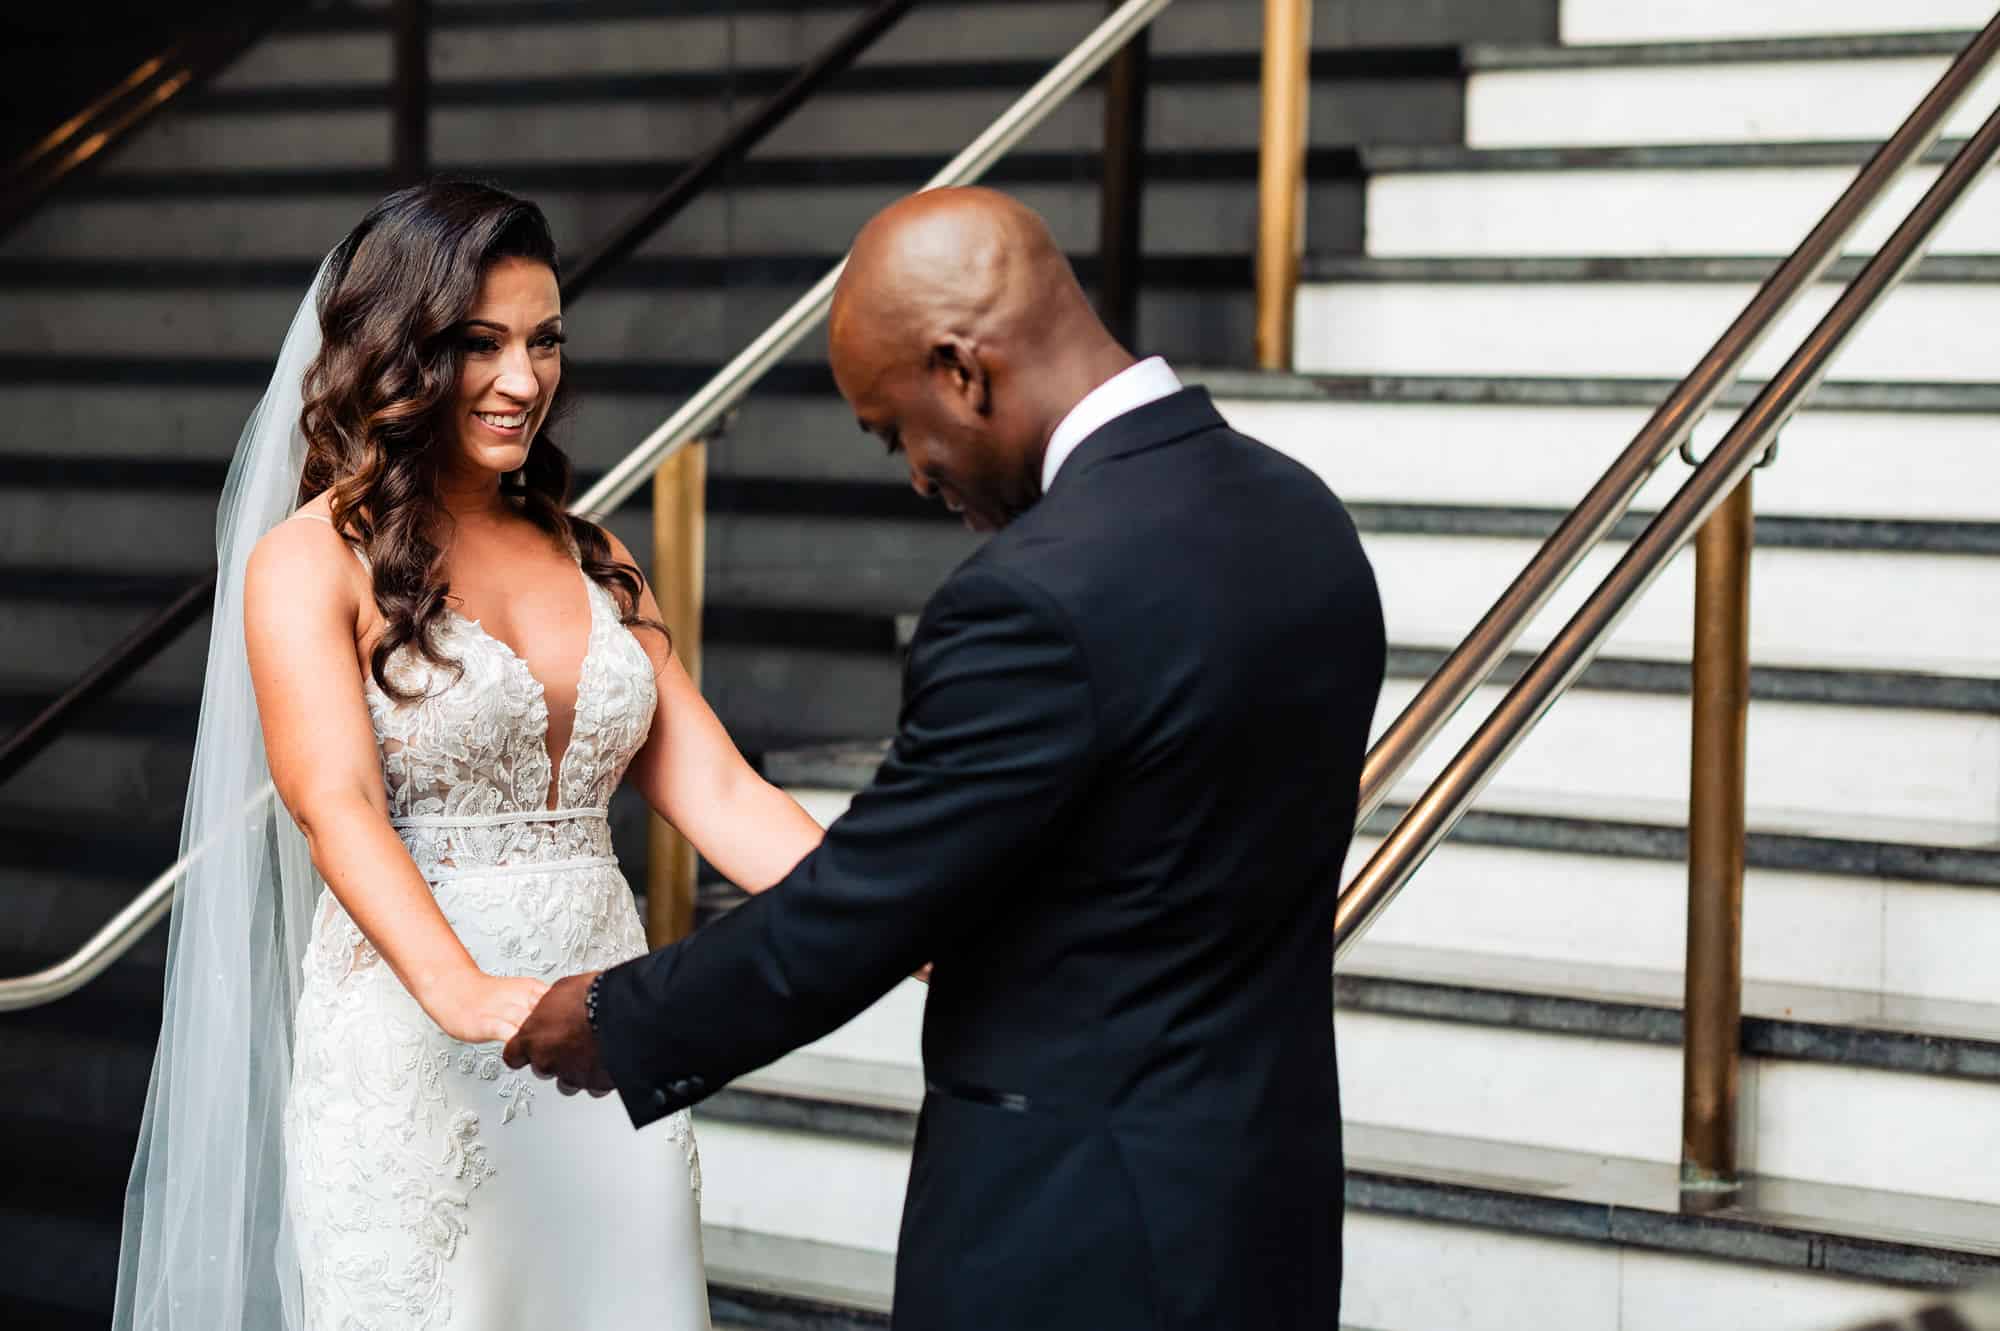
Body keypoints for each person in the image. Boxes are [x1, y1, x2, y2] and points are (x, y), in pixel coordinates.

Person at [507, 186, 1388, 1330]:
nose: (917, 476)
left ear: (962, 371)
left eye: (895, 430)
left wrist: (617, 1021)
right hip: (1260, 1200)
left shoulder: (1029, 596)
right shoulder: (1303, 516)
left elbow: (860, 910)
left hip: (1070, 1232)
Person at [114, 179, 827, 1331]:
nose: (522, 379)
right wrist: (469, 996)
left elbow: (724, 790)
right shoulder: (311, 561)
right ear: (399, 352)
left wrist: (902, 916)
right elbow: (334, 803)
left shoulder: (594, 553)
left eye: (543, 341)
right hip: (418, 1052)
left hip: (601, 1055)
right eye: (477, 344)